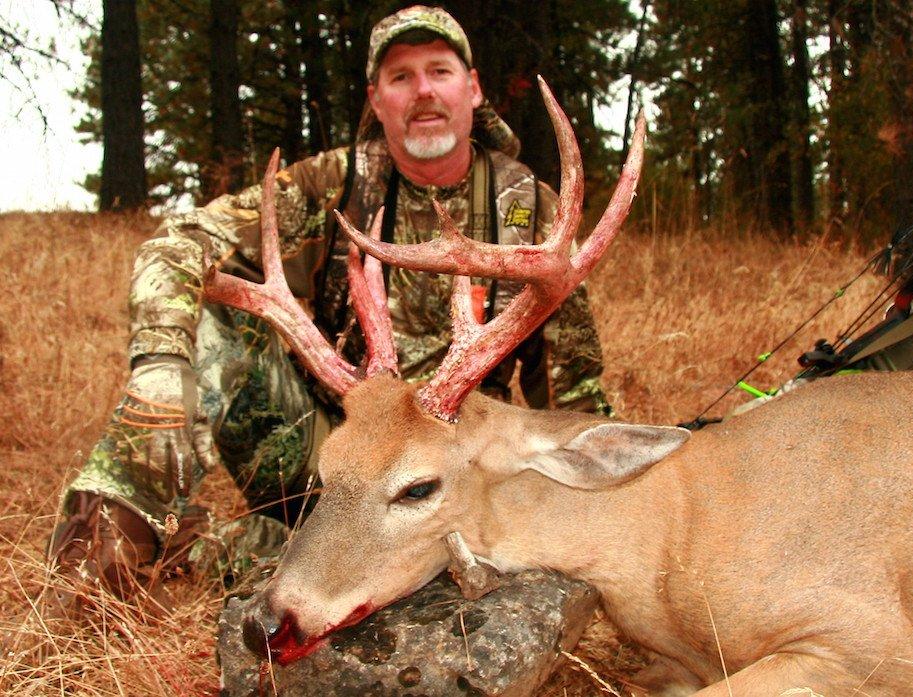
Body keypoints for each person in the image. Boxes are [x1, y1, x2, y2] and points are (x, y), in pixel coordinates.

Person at [47, 5, 613, 612]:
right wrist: (160, 364)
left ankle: (231, 551)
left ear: (472, 89)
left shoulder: (530, 207)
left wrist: (610, 481)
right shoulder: (329, 185)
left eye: (439, 71)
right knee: (212, 333)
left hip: (444, 476)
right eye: (400, 77)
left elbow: (573, 395)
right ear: (377, 98)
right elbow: (177, 242)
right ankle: (89, 579)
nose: (422, 90)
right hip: (322, 458)